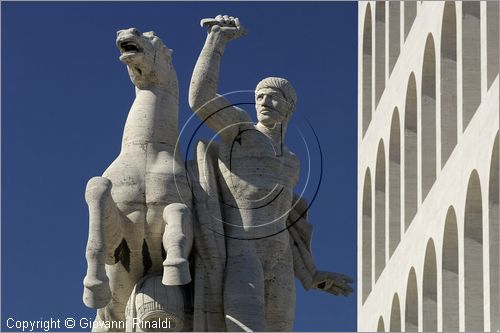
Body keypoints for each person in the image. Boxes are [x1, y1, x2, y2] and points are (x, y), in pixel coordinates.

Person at [189, 15, 352, 331]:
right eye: (259, 96)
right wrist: (216, 42)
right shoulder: (241, 132)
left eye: (272, 96)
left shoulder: (292, 160)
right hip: (243, 248)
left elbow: (288, 222)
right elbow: (200, 100)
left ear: (289, 106)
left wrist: (310, 275)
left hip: (280, 257)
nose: (263, 101)